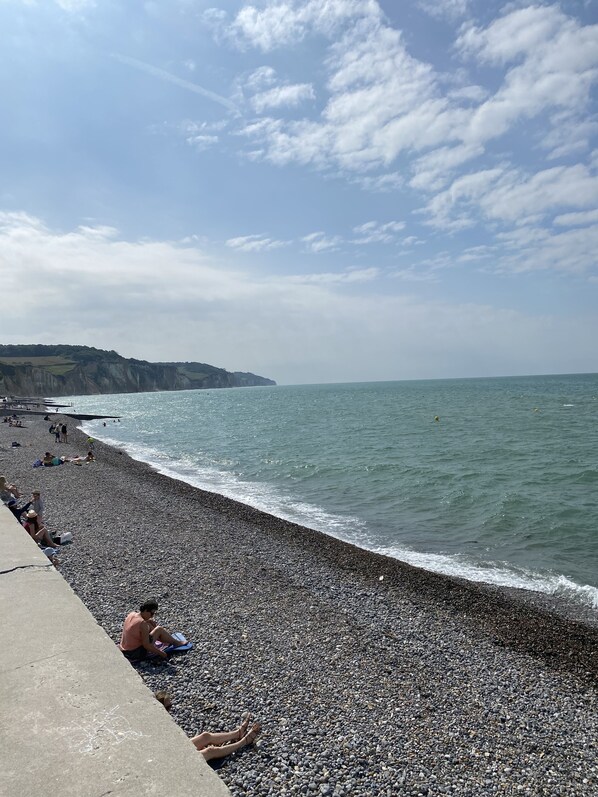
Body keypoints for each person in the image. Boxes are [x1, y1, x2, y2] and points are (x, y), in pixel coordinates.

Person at [154, 692, 261, 761]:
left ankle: (237, 733)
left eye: (170, 706)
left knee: (205, 736)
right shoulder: (157, 726)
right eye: (168, 707)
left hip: (175, 749)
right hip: (174, 760)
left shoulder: (163, 721)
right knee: (210, 751)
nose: (170, 710)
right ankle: (243, 742)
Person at [119, 599, 187, 662]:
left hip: (125, 649)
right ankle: (176, 643)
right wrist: (162, 653)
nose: (152, 616)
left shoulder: (132, 614)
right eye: (151, 613)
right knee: (159, 629)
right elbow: (146, 645)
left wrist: (149, 621)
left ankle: (165, 639)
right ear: (145, 610)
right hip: (135, 653)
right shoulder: (142, 623)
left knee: (150, 624)